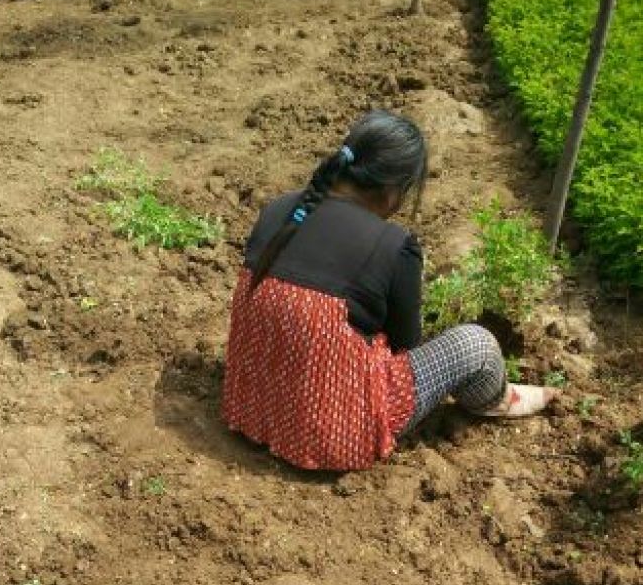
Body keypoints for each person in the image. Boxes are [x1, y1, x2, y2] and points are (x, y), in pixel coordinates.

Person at [221, 109, 557, 471]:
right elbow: (404, 347)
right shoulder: (394, 245)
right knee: (476, 344)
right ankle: (498, 398)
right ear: (393, 189)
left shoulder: (279, 210)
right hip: (331, 434)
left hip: (251, 406)